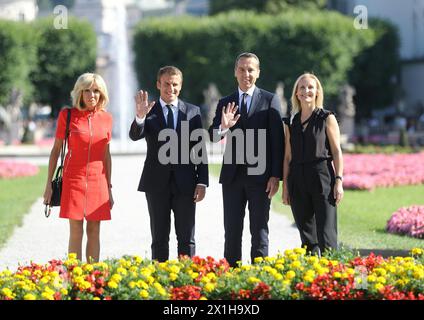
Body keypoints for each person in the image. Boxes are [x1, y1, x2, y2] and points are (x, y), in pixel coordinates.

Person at [208, 53, 284, 267]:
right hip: (232, 178)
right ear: (235, 72)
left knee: (259, 230)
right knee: (232, 230)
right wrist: (223, 127)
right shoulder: (225, 102)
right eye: (242, 69)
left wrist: (275, 175)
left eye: (250, 69)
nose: (246, 74)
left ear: (258, 73)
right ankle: (232, 277)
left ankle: (258, 278)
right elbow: (213, 136)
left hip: (261, 177)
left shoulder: (270, 100)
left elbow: (278, 141)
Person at [129, 66, 208, 262]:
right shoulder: (149, 111)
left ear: (180, 86)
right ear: (158, 84)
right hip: (156, 184)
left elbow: (199, 150)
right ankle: (161, 283)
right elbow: (134, 135)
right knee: (159, 239)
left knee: (187, 240)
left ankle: (186, 284)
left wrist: (202, 181)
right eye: (166, 84)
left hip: (186, 184)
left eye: (175, 84)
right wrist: (140, 116)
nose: (170, 88)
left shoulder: (193, 112)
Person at [43, 73, 114, 263]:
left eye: (96, 91)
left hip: (98, 181)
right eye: (87, 91)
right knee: (76, 230)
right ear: (80, 93)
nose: (92, 95)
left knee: (94, 230)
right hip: (73, 179)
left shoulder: (106, 118)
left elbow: (106, 155)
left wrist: (109, 188)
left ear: (102, 94)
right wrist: (49, 184)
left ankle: (92, 278)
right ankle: (75, 278)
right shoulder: (68, 115)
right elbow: (56, 150)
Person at [282, 73, 344, 256]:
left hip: (322, 177)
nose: (306, 91)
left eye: (310, 87)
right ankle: (314, 280)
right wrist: (285, 186)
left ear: (317, 91)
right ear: (296, 93)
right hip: (297, 180)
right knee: (307, 236)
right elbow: (287, 157)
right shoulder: (291, 122)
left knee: (326, 234)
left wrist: (339, 181)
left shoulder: (327, 118)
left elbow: (337, 152)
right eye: (302, 87)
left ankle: (334, 278)